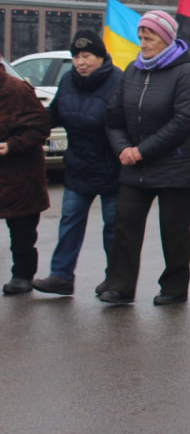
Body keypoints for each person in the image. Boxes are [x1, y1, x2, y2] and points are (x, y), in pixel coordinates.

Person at [99, 11, 190, 306]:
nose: (143, 43)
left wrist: (143, 150)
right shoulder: (132, 70)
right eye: (141, 37)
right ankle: (120, 285)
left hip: (174, 166)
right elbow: (113, 117)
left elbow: (183, 121)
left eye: (150, 37)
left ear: (166, 39)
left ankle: (174, 286)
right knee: (125, 226)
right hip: (134, 166)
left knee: (174, 231)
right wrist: (123, 148)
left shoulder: (183, 72)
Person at [32, 31, 122, 296]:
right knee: (70, 222)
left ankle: (115, 280)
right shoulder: (68, 80)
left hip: (112, 169)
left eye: (87, 56)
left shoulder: (119, 82)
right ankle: (61, 276)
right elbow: (54, 115)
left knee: (113, 229)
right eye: (76, 57)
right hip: (78, 166)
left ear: (101, 57)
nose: (81, 62)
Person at [0, 59, 52, 296]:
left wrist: (12, 145)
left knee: (21, 230)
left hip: (20, 173)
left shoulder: (16, 90)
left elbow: (40, 126)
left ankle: (22, 275)